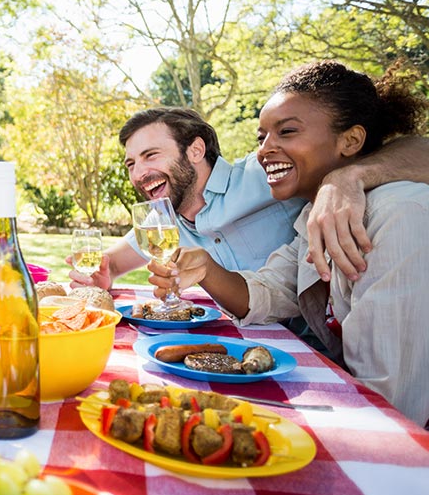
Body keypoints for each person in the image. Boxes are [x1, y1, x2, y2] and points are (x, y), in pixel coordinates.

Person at [148, 61, 429, 427]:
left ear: (351, 141)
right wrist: (205, 267)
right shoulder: (313, 215)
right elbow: (270, 292)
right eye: (261, 137)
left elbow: (393, 404)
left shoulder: (397, 214)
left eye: (287, 131)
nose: (265, 149)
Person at [69, 107, 429, 291]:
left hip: (327, 352)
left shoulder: (266, 172)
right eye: (131, 163)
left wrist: (346, 177)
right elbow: (110, 265)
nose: (137, 173)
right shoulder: (162, 222)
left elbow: (419, 149)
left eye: (151, 155)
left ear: (195, 150)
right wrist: (102, 273)